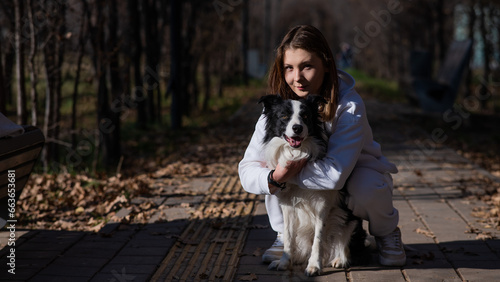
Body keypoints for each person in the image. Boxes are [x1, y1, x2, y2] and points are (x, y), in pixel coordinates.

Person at [238, 25, 406, 267]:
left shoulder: (349, 106)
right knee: (272, 168)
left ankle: (386, 231)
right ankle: (286, 234)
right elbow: (247, 169)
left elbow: (335, 176)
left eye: (307, 66)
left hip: (353, 177)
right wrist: (274, 177)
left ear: (327, 64)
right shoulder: (275, 110)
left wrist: (285, 175)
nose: (297, 77)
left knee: (365, 186)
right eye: (289, 68)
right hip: (306, 185)